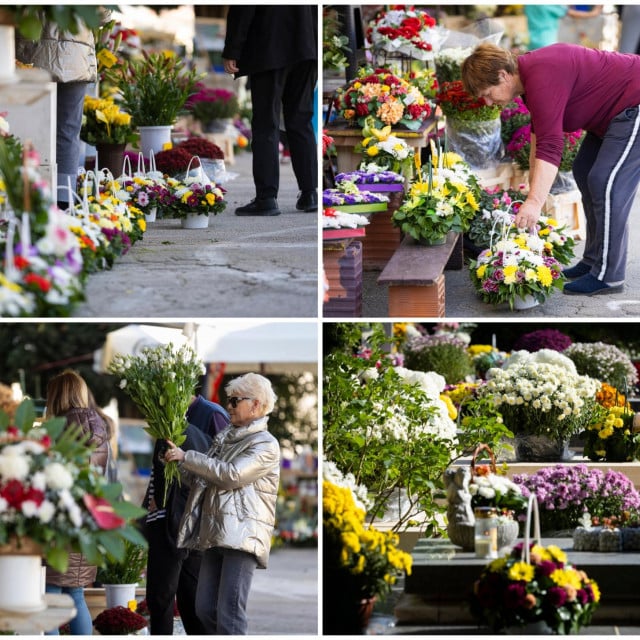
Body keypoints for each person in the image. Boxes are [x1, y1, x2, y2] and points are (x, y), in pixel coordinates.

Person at [461, 42, 640, 296]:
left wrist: (535, 202)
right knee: (583, 169)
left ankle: (608, 275)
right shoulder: (528, 80)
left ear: (502, 75)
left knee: (605, 183)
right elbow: (539, 137)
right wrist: (531, 196)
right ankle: (592, 261)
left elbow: (551, 144)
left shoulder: (541, 73)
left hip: (634, 103)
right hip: (612, 118)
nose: (489, 103)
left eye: (488, 93)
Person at [164, 373, 281, 634]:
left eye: (235, 400)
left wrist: (188, 456)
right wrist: (178, 464)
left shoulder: (265, 443)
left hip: (242, 535)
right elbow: (203, 479)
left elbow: (232, 475)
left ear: (257, 405)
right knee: (204, 608)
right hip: (216, 530)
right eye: (228, 400)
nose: (228, 406)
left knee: (230, 613)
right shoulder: (227, 437)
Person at [143, 395, 229, 635]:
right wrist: (154, 501)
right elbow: (158, 472)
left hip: (188, 521)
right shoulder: (166, 417)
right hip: (170, 519)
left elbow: (221, 469)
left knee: (173, 599)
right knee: (181, 600)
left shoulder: (212, 415)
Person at [222, 6, 318, 216]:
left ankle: (266, 198)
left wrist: (232, 49)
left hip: (269, 47)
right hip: (307, 46)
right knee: (301, 120)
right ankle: (310, 193)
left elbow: (244, 8)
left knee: (266, 123)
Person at [44, 369, 110, 635]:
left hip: (60, 522)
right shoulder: (100, 428)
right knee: (76, 594)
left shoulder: (59, 429)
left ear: (57, 396)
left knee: (47, 596)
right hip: (87, 523)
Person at [15, 21, 97, 209]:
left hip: (31, 54)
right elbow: (101, 14)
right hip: (75, 56)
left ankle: (27, 196)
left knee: (27, 129)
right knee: (68, 130)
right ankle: (64, 199)